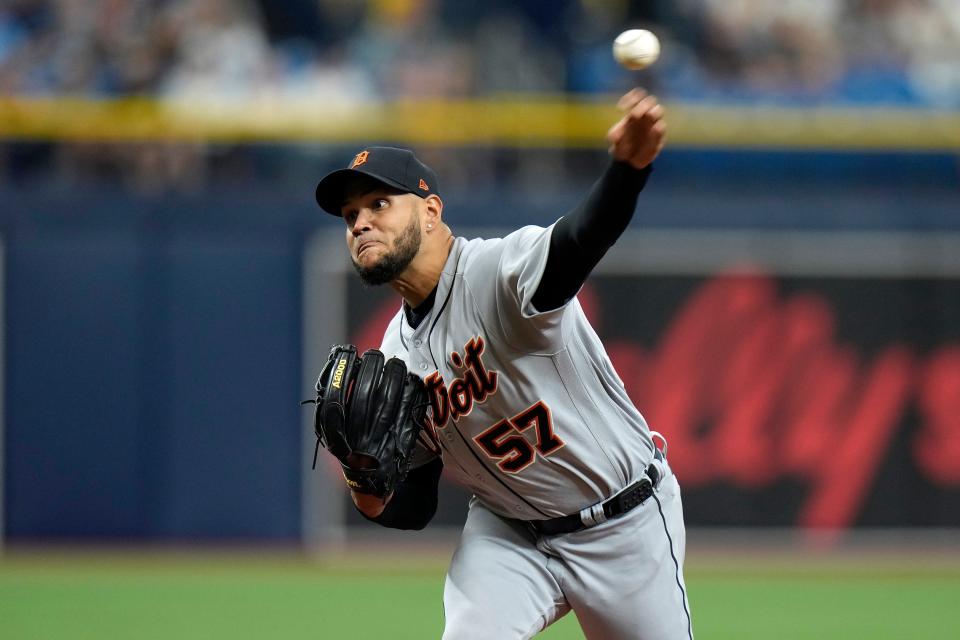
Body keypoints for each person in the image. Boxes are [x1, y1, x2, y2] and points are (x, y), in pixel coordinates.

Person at [314, 88, 692, 640]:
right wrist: (361, 475)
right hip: (509, 534)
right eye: (350, 216)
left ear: (431, 211)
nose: (360, 223)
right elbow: (414, 505)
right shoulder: (395, 356)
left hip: (621, 522)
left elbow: (579, 241)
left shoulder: (496, 274)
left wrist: (627, 171)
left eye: (378, 204)